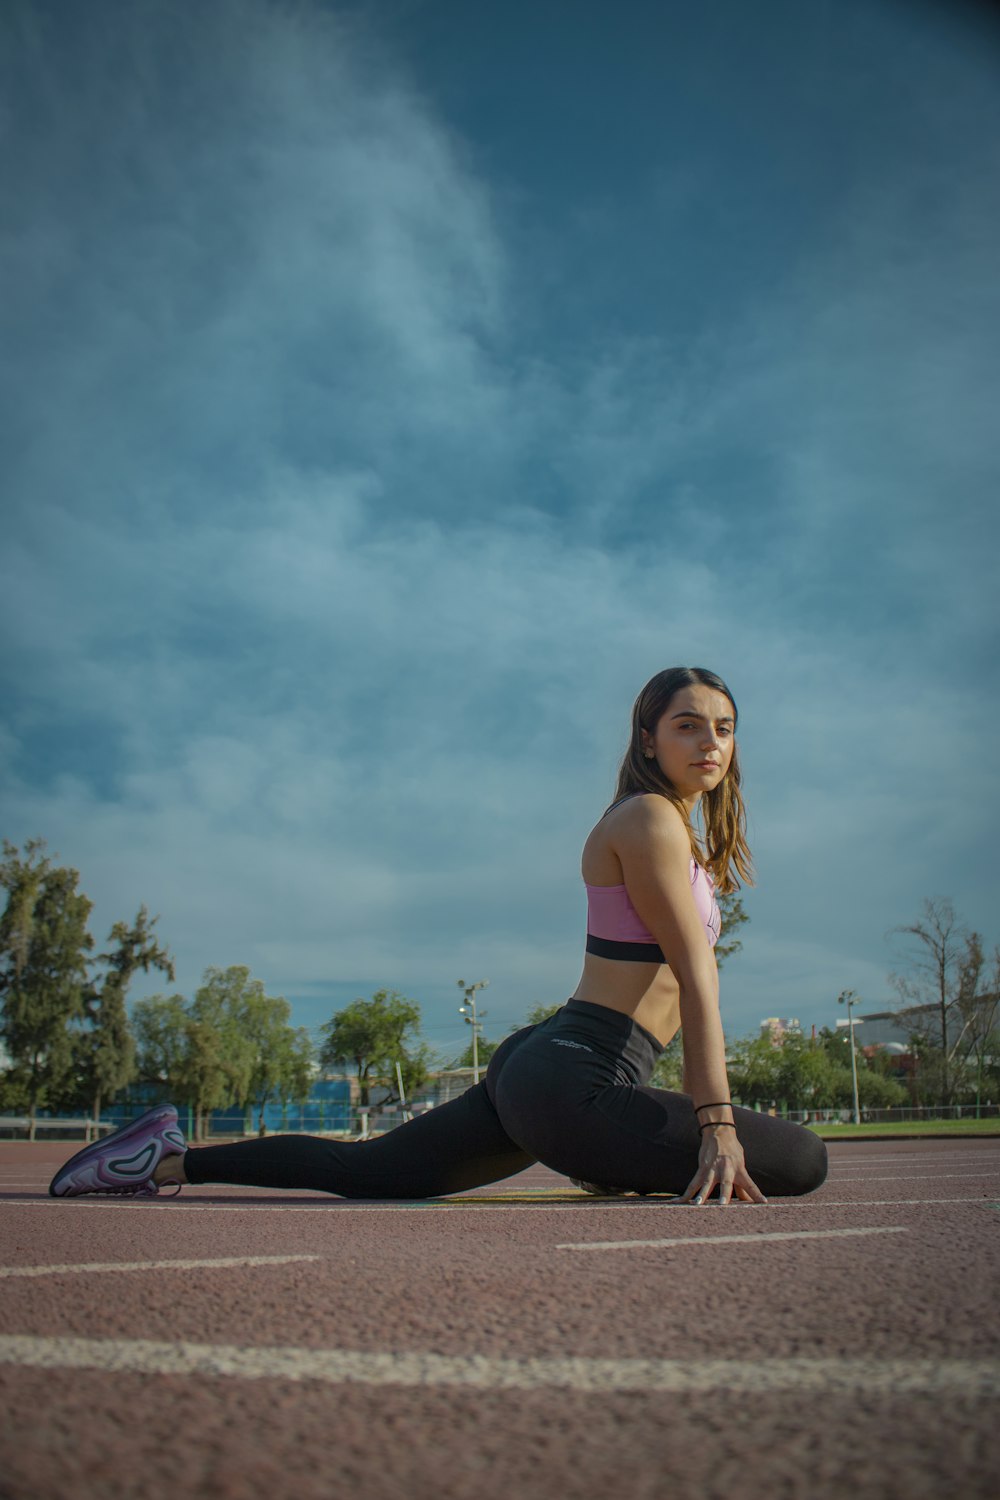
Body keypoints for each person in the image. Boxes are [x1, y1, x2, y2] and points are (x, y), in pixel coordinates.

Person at [50, 667, 827, 1206]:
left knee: (367, 1171)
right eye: (688, 726)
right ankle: (602, 1152)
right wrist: (715, 1127)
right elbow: (696, 981)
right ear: (649, 738)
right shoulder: (650, 818)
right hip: (575, 1073)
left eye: (724, 729)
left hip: (559, 1064)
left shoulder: (675, 831)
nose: (710, 744)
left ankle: (162, 1157)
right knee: (800, 1160)